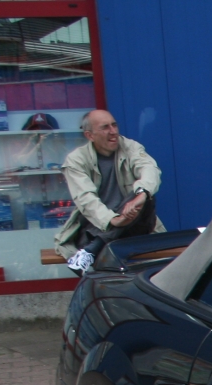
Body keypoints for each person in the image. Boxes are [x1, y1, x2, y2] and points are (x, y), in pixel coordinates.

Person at [54, 109, 162, 274]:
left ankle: (91, 251)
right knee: (136, 202)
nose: (113, 132)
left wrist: (140, 196)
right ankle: (96, 244)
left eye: (114, 125)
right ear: (90, 135)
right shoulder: (76, 160)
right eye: (105, 127)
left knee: (144, 194)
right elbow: (86, 199)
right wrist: (113, 220)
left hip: (134, 226)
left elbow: (150, 169)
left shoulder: (130, 147)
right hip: (96, 228)